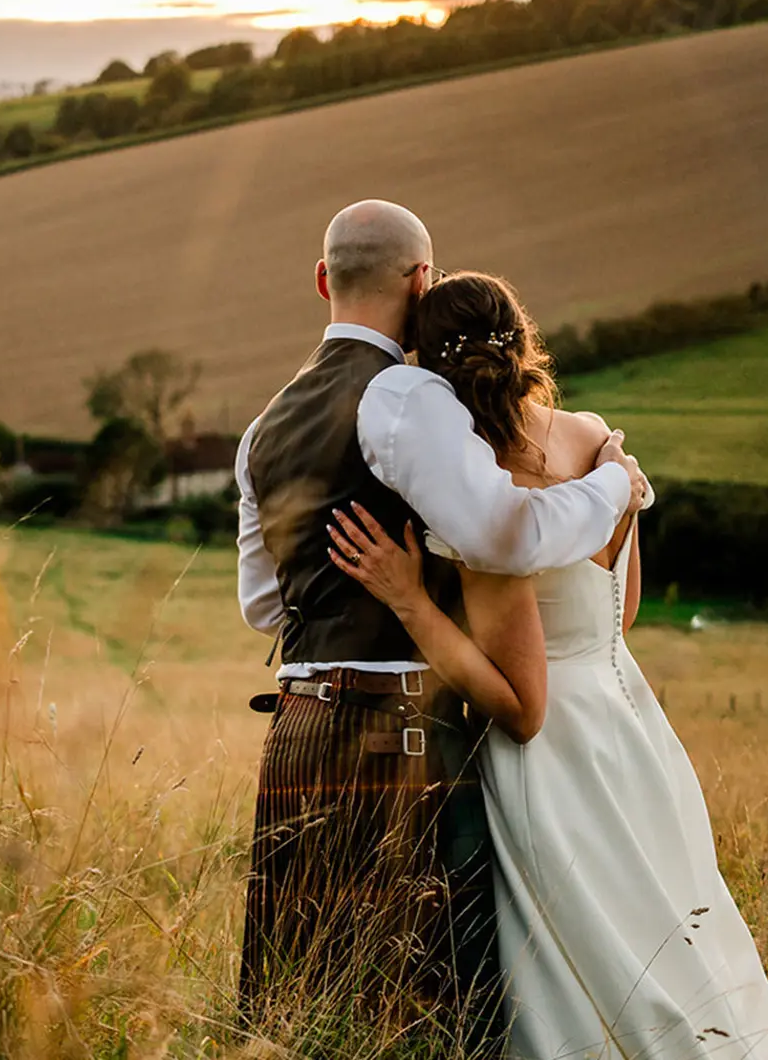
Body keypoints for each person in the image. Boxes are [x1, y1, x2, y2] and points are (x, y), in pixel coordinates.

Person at [328, 271, 768, 1059]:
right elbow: (623, 611)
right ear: (523, 340)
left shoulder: (488, 495)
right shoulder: (595, 438)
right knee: (662, 931)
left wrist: (411, 603)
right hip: (630, 725)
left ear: (430, 369)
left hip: (550, 764)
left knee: (587, 959)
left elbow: (521, 708)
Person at [234, 201, 647, 1050]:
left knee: (301, 1001)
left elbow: (265, 606)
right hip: (402, 735)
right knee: (431, 1005)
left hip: (299, 727)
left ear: (323, 280)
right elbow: (506, 535)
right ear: (422, 281)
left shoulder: (263, 426)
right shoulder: (406, 395)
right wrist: (615, 484)